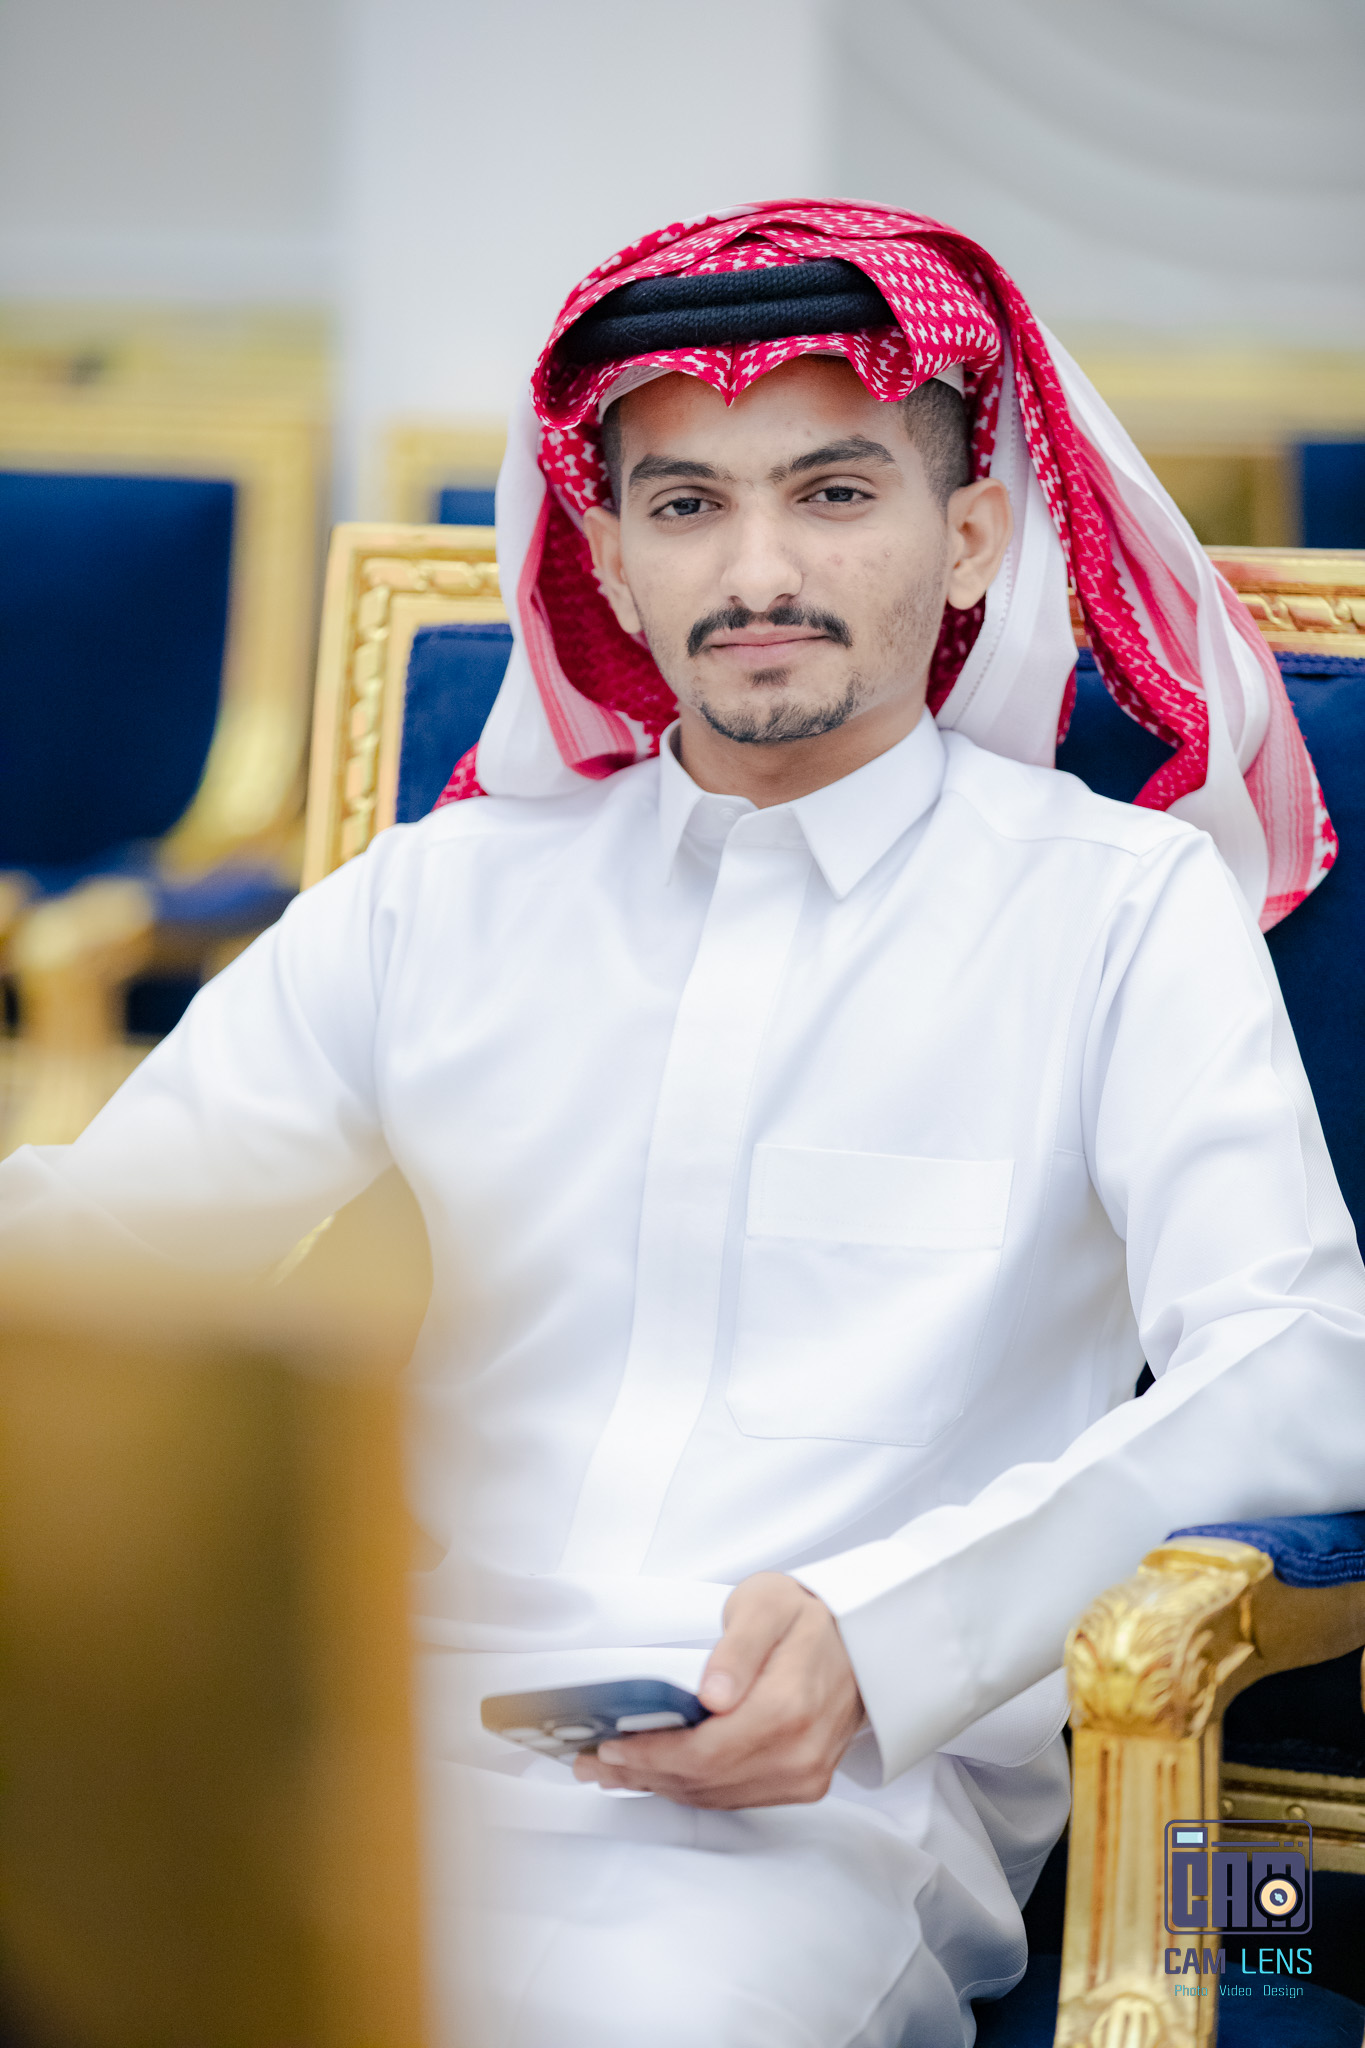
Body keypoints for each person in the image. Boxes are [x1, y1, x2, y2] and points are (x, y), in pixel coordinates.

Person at [3, 200, 1363, 2047]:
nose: (757, 571)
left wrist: (889, 1637)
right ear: (608, 559)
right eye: (685, 505)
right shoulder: (441, 899)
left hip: (819, 1812)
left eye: (833, 493)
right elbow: (88, 1252)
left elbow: (1300, 1359)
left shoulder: (1115, 912)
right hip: (366, 1750)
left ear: (970, 533)